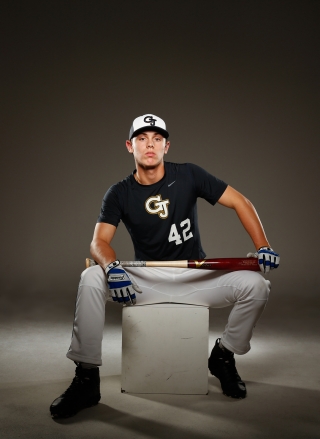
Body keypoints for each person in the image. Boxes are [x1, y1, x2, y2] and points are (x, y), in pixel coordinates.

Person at [50, 114, 280, 418]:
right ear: (130, 146)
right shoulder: (118, 192)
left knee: (257, 286)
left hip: (196, 277)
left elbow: (241, 202)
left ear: (166, 146)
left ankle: (223, 356)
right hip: (146, 279)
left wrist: (263, 245)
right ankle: (86, 377)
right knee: (92, 275)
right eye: (142, 139)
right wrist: (113, 267)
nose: (150, 145)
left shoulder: (189, 175)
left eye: (157, 139)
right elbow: (98, 244)